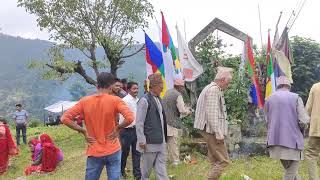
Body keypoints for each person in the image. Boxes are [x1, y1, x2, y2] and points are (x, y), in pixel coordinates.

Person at [61, 72, 134, 180]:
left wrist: (83, 131)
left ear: (97, 86)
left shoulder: (84, 101)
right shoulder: (116, 100)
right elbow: (130, 118)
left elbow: (64, 118)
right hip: (113, 148)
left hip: (94, 149)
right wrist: (118, 128)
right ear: (110, 87)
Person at [265, 76, 309, 180]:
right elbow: (303, 121)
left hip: (274, 140)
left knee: (291, 170)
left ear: (278, 85)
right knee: (291, 171)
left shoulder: (269, 99)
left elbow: (267, 120)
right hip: (293, 141)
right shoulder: (296, 97)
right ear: (289, 85)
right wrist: (303, 128)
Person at [194, 67, 233, 180]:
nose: (228, 85)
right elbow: (211, 114)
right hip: (211, 130)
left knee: (214, 160)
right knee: (223, 161)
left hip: (209, 129)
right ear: (222, 80)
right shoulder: (214, 90)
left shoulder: (211, 88)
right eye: (228, 82)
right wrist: (218, 132)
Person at [136, 73, 168, 180]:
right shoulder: (144, 100)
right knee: (146, 172)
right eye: (161, 85)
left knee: (161, 168)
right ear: (153, 86)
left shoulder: (159, 99)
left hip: (161, 141)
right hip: (149, 142)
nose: (162, 87)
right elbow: (139, 122)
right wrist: (141, 140)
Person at [163, 79, 191, 166]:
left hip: (164, 121)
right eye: (183, 86)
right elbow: (182, 110)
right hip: (172, 122)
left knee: (166, 143)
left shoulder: (167, 92)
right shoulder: (178, 95)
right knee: (173, 142)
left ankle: (165, 161)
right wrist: (188, 111)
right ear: (179, 86)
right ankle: (176, 162)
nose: (183, 88)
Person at [119, 81, 141, 179]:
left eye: (137, 88)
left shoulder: (139, 100)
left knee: (137, 152)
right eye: (134, 89)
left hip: (136, 129)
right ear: (128, 90)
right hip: (126, 130)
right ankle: (121, 171)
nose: (136, 90)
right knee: (125, 152)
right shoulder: (125, 100)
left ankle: (137, 174)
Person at [305, 81, 320, 180]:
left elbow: (308, 109)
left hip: (316, 128)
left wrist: (304, 126)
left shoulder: (315, 87)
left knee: (311, 154)